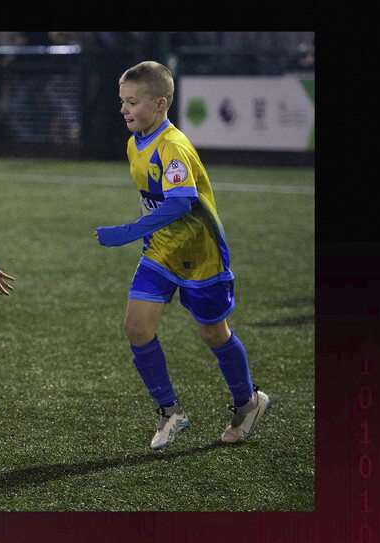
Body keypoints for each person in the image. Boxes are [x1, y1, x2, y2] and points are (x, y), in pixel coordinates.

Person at [94, 61, 271, 450]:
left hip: (201, 255)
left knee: (213, 333)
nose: (124, 109)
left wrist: (124, 233)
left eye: (133, 102)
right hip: (160, 252)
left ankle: (248, 402)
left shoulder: (172, 146)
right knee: (136, 328)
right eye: (122, 101)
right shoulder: (135, 141)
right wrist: (142, 235)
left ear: (160, 104)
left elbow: (179, 204)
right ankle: (170, 411)